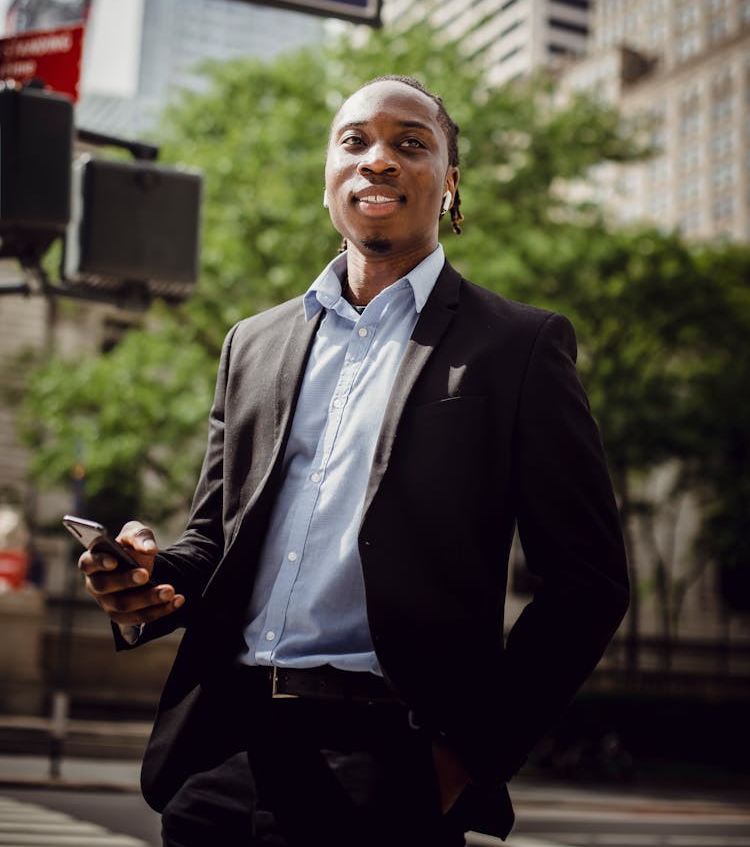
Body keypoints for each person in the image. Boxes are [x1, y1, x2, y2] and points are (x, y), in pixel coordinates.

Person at [79, 75, 629, 847]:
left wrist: (466, 758)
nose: (379, 159)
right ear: (329, 176)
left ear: (449, 185)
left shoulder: (518, 348)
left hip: (389, 763)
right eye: (355, 141)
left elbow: (588, 583)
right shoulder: (253, 343)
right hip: (220, 756)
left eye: (412, 143)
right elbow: (214, 543)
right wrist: (145, 579)